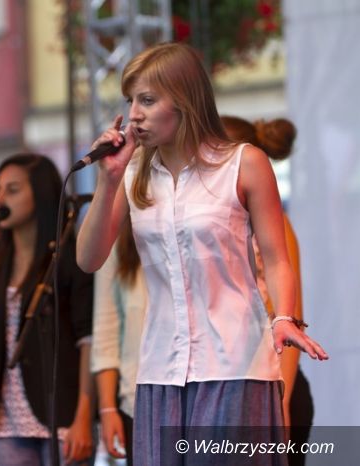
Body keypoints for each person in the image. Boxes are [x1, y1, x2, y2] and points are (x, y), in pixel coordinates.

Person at [76, 42, 328, 465]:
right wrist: (108, 180)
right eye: (130, 101)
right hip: (160, 369)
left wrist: (284, 317)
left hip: (235, 364)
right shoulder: (134, 175)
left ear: (185, 101)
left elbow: (277, 258)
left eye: (147, 100)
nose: (134, 114)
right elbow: (88, 259)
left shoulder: (244, 163)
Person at [0, 154, 95, 466]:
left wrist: (84, 416)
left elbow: (88, 341)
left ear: (40, 193)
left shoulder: (70, 259)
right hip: (5, 422)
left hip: (63, 416)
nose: (0, 200)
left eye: (13, 190)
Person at [221, 115, 314, 466]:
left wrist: (282, 402)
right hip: (228, 385)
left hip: (273, 385)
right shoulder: (213, 221)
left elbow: (291, 318)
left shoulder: (273, 222)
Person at [91, 222, 147, 463]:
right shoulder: (119, 239)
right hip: (136, 401)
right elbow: (106, 332)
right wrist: (107, 408)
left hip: (204, 392)